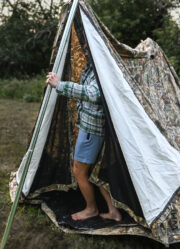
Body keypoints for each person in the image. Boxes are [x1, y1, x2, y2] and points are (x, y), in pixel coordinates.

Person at [46, 44, 122, 222]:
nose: (85, 52)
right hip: (91, 127)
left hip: (91, 130)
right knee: (95, 172)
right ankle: (113, 212)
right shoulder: (96, 65)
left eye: (89, 49)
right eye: (85, 49)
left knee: (79, 172)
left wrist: (60, 85)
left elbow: (94, 93)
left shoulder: (101, 68)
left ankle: (91, 209)